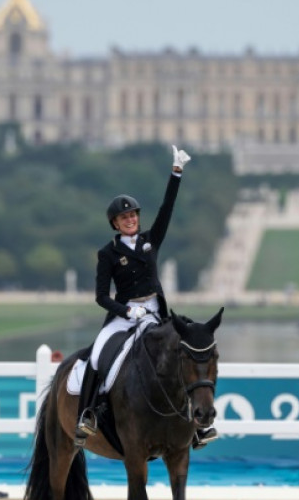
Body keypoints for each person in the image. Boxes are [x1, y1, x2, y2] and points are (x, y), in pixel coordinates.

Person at [75, 145, 218, 449]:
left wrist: (175, 173)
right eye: (124, 217)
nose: (130, 220)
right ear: (115, 223)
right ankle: (87, 414)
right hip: (124, 315)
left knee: (188, 355)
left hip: (156, 312)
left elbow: (167, 208)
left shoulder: (151, 241)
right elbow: (101, 296)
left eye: (133, 215)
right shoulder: (108, 254)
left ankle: (197, 426)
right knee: (99, 355)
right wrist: (126, 311)